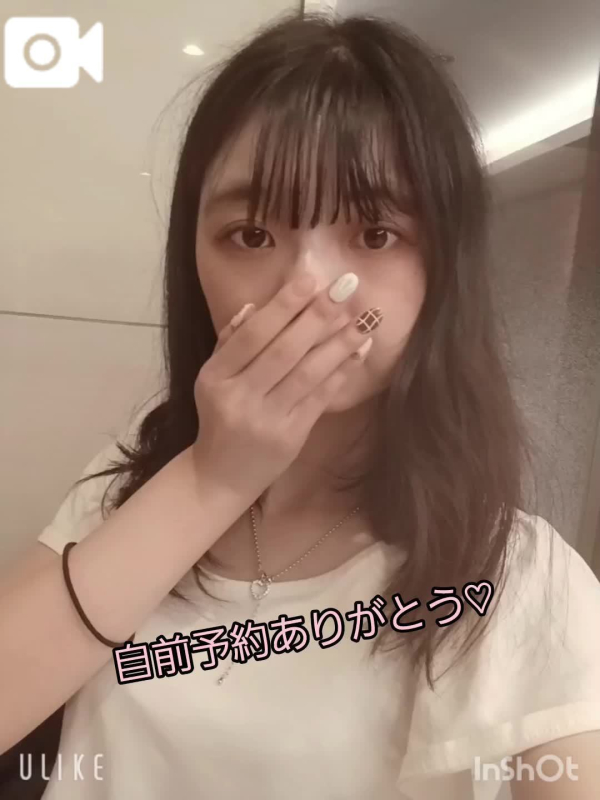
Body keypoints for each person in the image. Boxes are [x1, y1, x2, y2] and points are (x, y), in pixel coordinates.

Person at [1, 10, 599, 800]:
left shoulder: (516, 575)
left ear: (441, 272)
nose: (308, 288)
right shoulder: (124, 488)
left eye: (375, 234)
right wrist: (214, 479)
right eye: (252, 235)